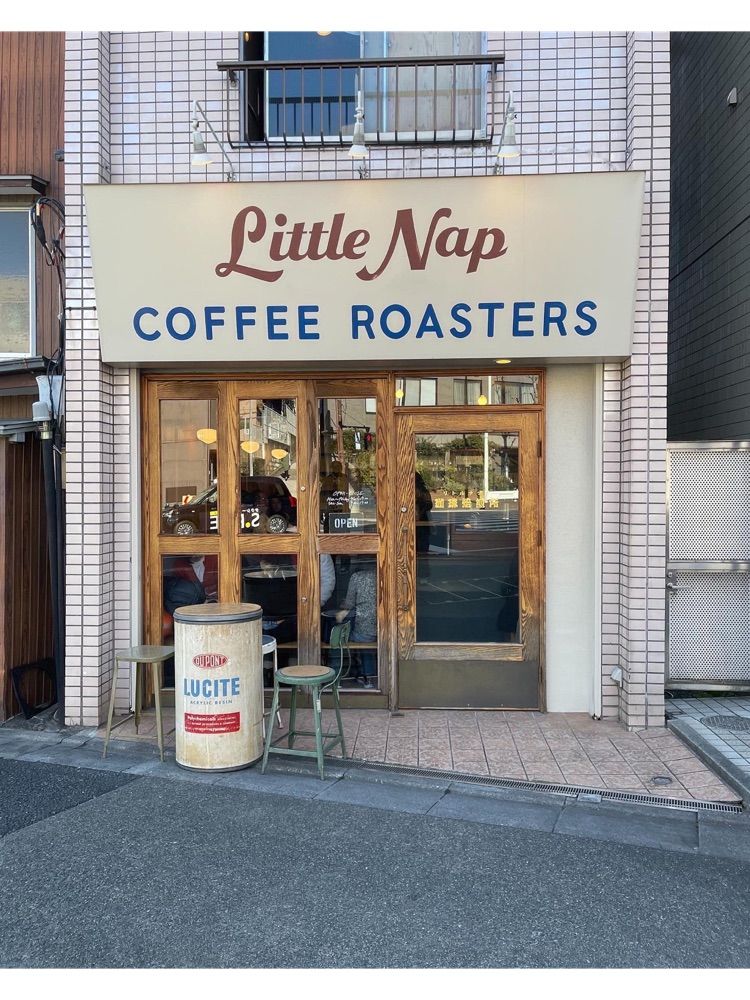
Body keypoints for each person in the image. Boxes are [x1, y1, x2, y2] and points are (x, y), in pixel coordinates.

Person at [336, 562, 377, 687]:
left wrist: (341, 607)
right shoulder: (383, 574)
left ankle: (337, 676)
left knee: (336, 638)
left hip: (364, 629)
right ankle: (368, 677)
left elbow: (349, 603)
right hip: (384, 630)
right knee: (366, 641)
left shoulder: (357, 577)